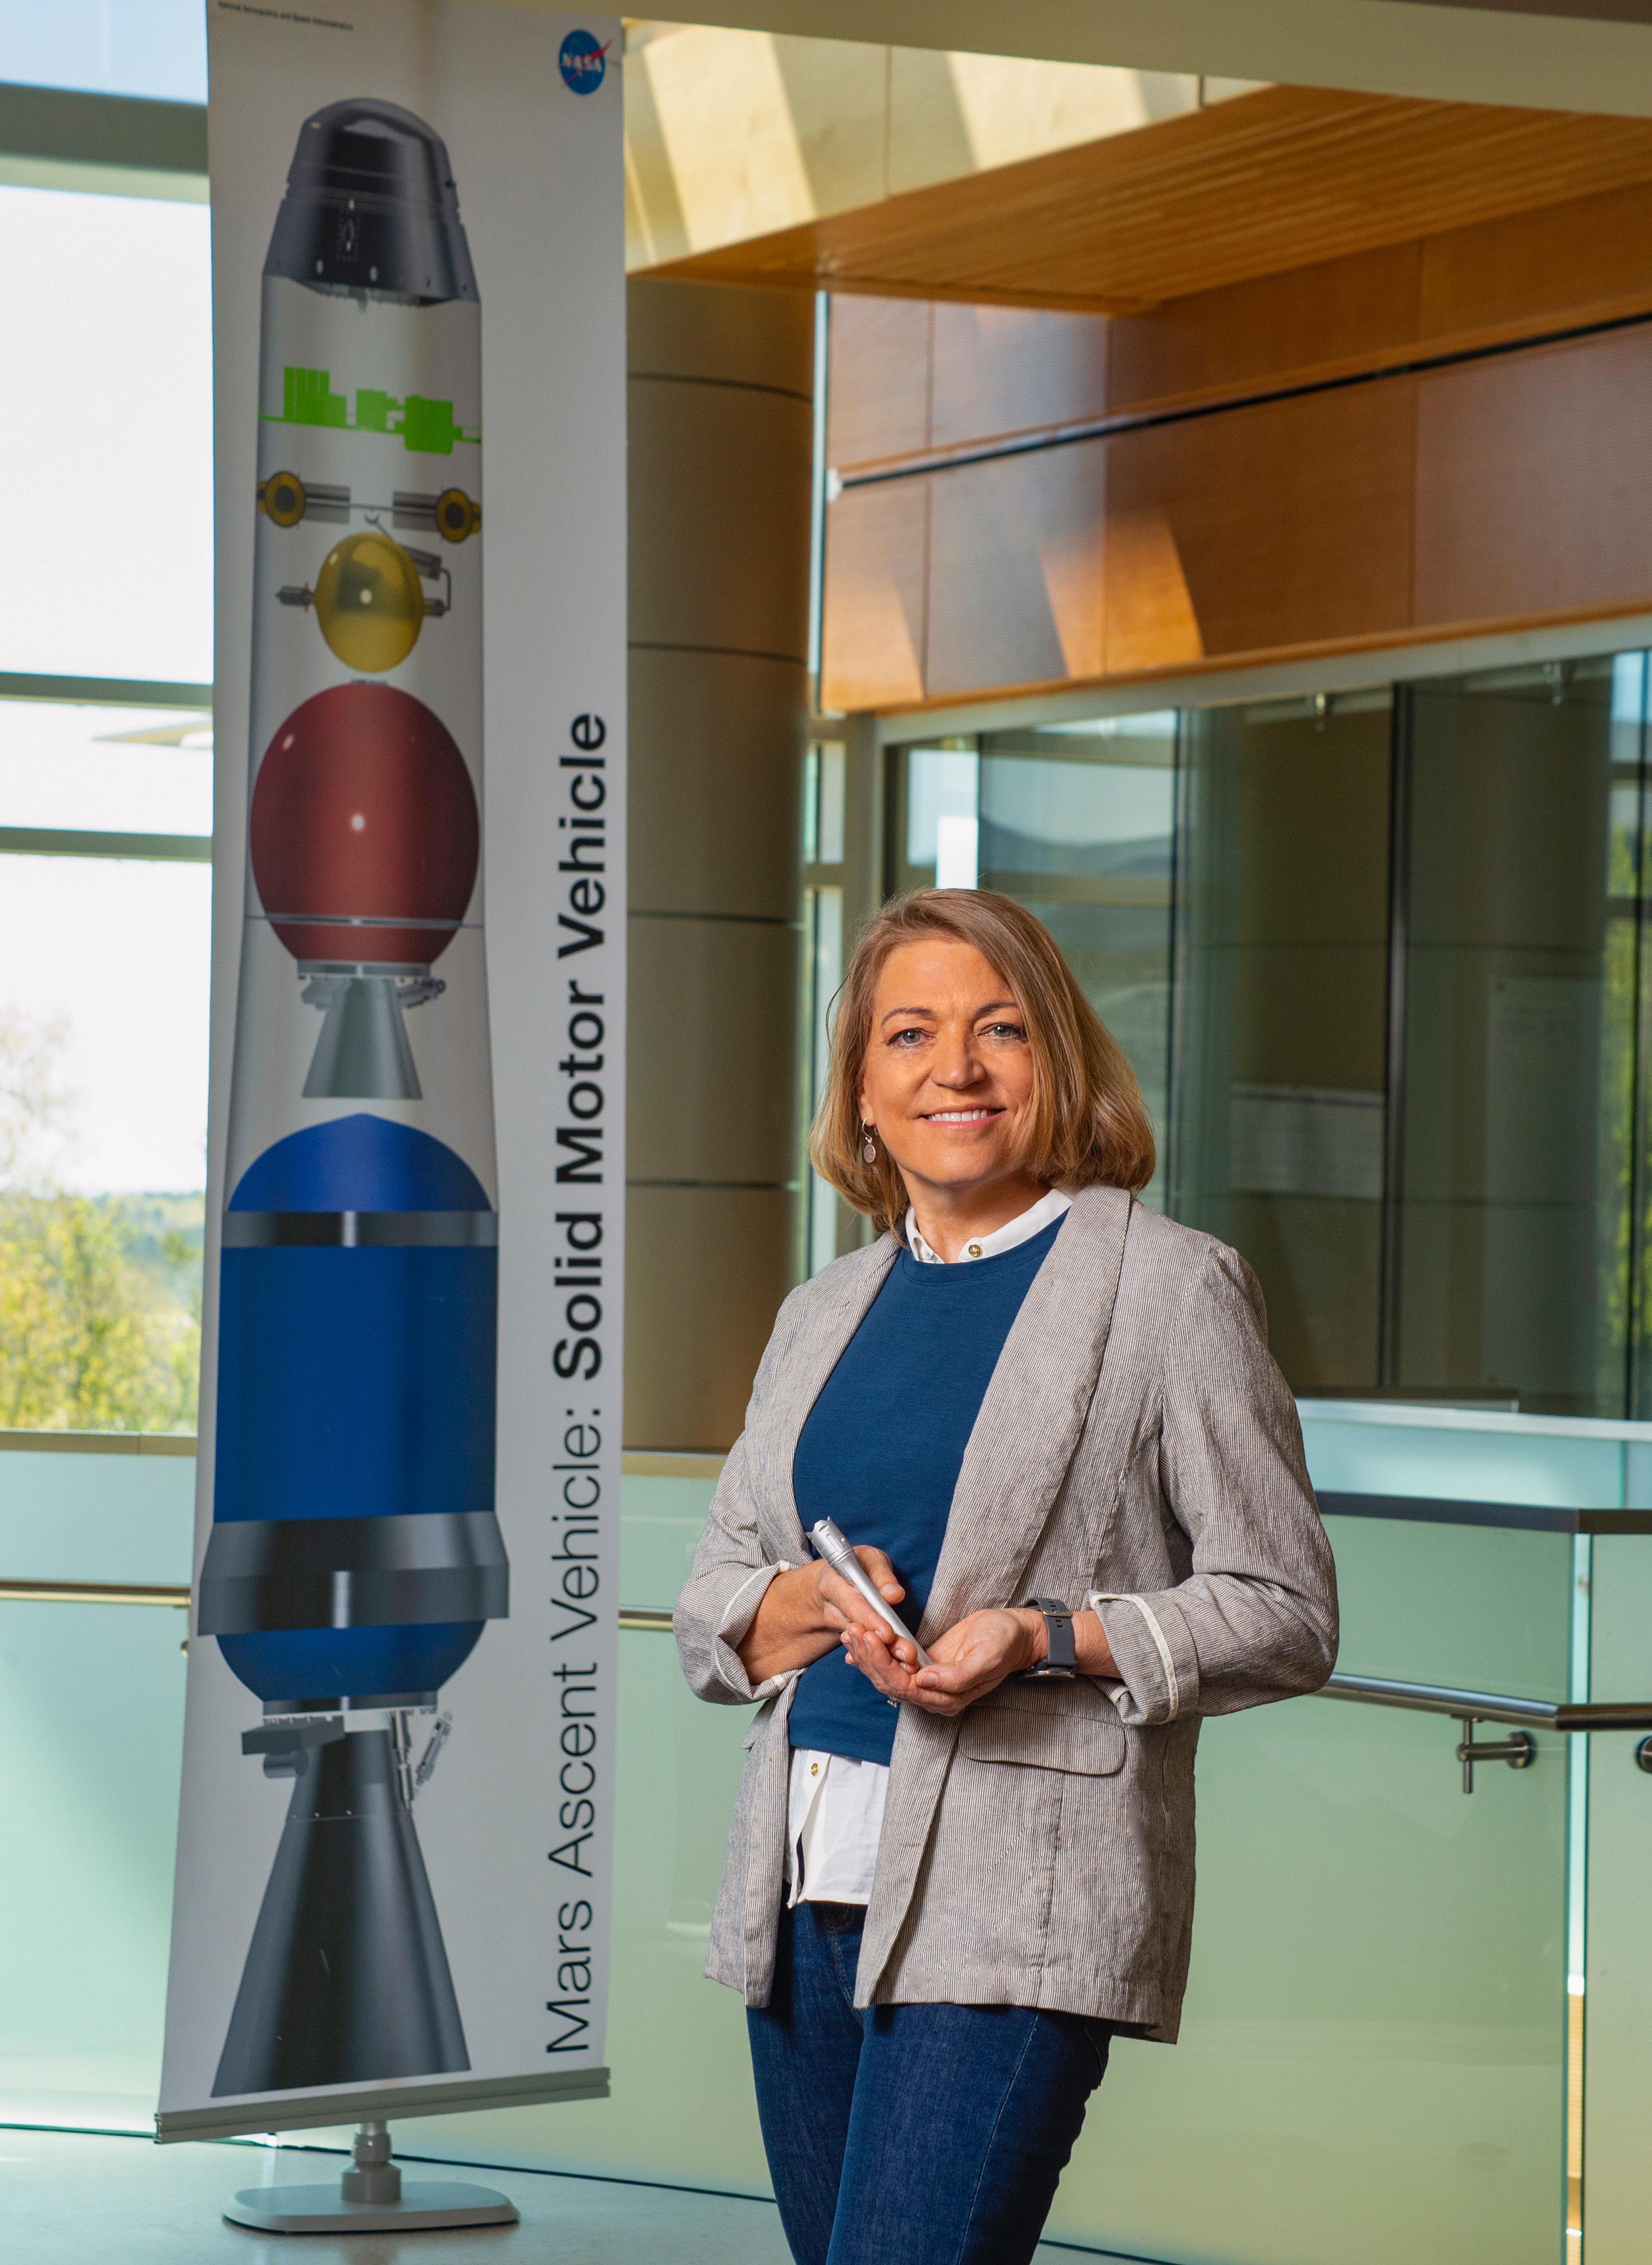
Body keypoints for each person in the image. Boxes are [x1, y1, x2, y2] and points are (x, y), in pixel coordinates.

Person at [674, 888, 1337, 2265]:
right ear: (863, 1088)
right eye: (908, 1035)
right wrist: (809, 1600)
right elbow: (718, 1599)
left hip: (1020, 1899)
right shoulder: (820, 1317)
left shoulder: (1170, 1293)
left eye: (1001, 1030)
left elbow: (1285, 1612)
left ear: (1063, 1065)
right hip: (804, 1890)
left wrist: (1043, 1638)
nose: (955, 1070)